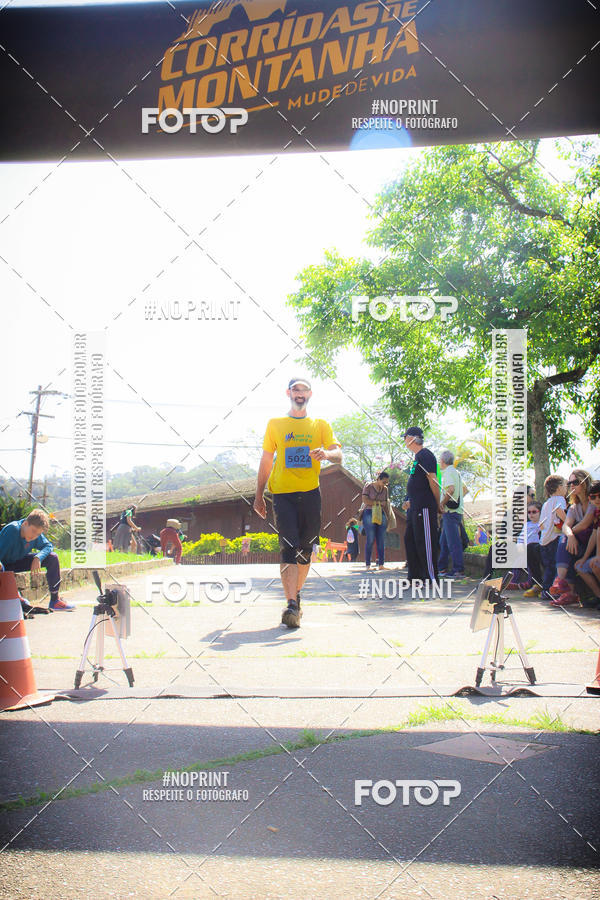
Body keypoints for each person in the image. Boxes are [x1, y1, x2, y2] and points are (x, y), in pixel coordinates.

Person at [253, 377, 342, 628]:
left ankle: (296, 596)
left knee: (305, 550)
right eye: (295, 390)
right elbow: (267, 460)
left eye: (303, 390)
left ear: (310, 394)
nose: (299, 394)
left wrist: (326, 453)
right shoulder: (276, 424)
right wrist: (259, 495)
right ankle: (291, 604)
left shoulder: (320, 425)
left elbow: (338, 454)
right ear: (288, 393)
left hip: (311, 492)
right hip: (282, 493)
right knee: (288, 547)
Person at [0, 508, 75, 611]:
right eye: (34, 531)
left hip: (17, 562)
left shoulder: (34, 535)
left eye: (38, 534)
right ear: (25, 524)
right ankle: (15, 597)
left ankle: (55, 601)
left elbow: (48, 546)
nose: (34, 536)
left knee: (52, 558)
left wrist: (38, 557)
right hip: (3, 565)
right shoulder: (12, 530)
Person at [549, 469, 595, 607]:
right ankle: (562, 584)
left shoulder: (594, 501)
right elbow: (565, 526)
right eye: (569, 483)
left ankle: (563, 585)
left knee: (565, 541)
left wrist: (570, 534)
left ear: (584, 482)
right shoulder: (574, 507)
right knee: (564, 540)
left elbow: (585, 524)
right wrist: (569, 535)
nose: (572, 486)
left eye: (575, 482)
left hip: (593, 546)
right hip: (579, 546)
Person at [402, 427, 440, 583]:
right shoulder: (416, 458)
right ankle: (415, 576)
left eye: (405, 437)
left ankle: (431, 576)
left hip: (425, 506)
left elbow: (432, 480)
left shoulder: (426, 455)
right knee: (410, 539)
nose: (404, 440)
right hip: (414, 506)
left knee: (425, 541)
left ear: (413, 438)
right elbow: (418, 483)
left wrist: (437, 503)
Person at [438, 450, 468, 578]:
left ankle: (458, 570)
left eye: (440, 460)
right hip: (456, 511)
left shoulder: (448, 473)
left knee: (453, 542)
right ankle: (442, 568)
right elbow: (465, 490)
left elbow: (450, 489)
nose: (439, 463)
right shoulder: (456, 473)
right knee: (444, 542)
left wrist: (442, 503)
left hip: (450, 512)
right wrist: (458, 501)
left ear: (443, 461)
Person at [537, 475, 568, 600]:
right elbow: (560, 511)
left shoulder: (546, 503)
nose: (567, 489)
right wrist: (568, 521)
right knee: (556, 565)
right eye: (565, 485)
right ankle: (555, 590)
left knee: (548, 566)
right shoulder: (560, 499)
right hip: (555, 538)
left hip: (544, 540)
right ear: (559, 487)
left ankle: (546, 589)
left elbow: (541, 525)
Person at [506, 501, 543, 593]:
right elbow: (521, 539)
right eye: (529, 512)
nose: (531, 514)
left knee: (529, 558)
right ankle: (513, 581)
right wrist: (520, 547)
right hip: (525, 549)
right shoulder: (527, 525)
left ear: (540, 512)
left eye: (534, 512)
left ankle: (531, 582)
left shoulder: (542, 524)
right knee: (519, 561)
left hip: (537, 549)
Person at [573, 480, 600, 607]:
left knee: (596, 565)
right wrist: (584, 558)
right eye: (593, 497)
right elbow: (594, 536)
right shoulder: (597, 513)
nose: (597, 500)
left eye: (599, 496)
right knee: (580, 567)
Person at [361, 472, 390, 570]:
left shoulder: (385, 489)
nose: (385, 484)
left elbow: (385, 503)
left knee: (381, 539)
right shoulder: (368, 486)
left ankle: (381, 564)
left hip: (381, 513)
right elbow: (365, 500)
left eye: (386, 482)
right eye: (383, 482)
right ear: (378, 479)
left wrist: (388, 517)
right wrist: (378, 503)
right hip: (369, 512)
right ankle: (368, 564)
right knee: (370, 538)